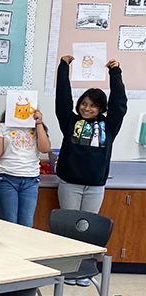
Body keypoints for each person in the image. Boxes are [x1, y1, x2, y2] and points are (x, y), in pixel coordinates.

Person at [55, 56, 127, 213]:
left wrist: (115, 73)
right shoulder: (70, 121)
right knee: (67, 228)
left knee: (86, 229)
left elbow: (119, 104)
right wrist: (63, 68)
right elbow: (62, 98)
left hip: (95, 186)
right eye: (84, 104)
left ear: (101, 108)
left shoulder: (108, 126)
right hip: (70, 184)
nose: (86, 108)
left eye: (93, 105)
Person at [0, 110, 51, 227]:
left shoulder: (36, 126)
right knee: (9, 222)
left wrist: (39, 123)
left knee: (27, 223)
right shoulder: (3, 126)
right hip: (6, 177)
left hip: (31, 179)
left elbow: (45, 149)